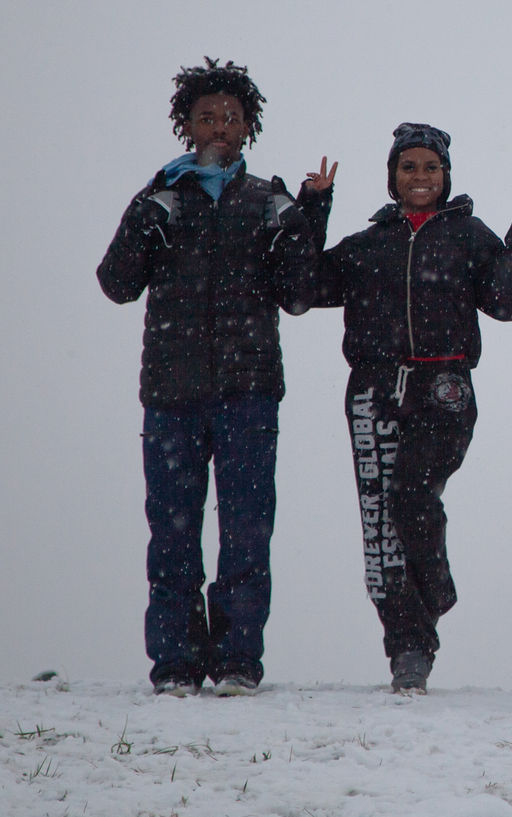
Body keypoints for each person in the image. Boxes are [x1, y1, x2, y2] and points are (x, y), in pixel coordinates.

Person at [97, 58, 330, 697]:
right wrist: (146, 215)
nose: (219, 127)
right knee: (171, 529)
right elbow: (115, 284)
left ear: (247, 127)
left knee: (247, 529)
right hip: (170, 396)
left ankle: (236, 662)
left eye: (231, 117)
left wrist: (304, 219)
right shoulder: (160, 197)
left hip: (248, 393)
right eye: (207, 117)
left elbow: (301, 294)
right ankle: (174, 664)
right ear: (187, 124)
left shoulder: (266, 200)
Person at [310, 123, 512, 693]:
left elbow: (505, 300)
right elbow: (301, 288)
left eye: (430, 168)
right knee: (379, 531)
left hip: (445, 386)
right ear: (392, 177)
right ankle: (409, 650)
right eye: (408, 167)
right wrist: (315, 207)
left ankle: (435, 589)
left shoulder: (467, 236)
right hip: (373, 389)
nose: (420, 177)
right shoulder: (369, 243)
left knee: (411, 495)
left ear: (446, 176)